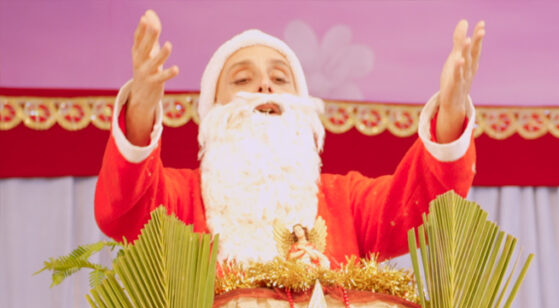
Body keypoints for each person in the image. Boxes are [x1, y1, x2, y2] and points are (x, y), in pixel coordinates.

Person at [95, 10, 484, 267]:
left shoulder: (345, 202)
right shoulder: (180, 200)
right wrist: (141, 110)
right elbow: (122, 211)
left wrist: (450, 114)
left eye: (280, 79)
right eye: (242, 80)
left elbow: (420, 209)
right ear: (213, 110)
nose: (265, 85)